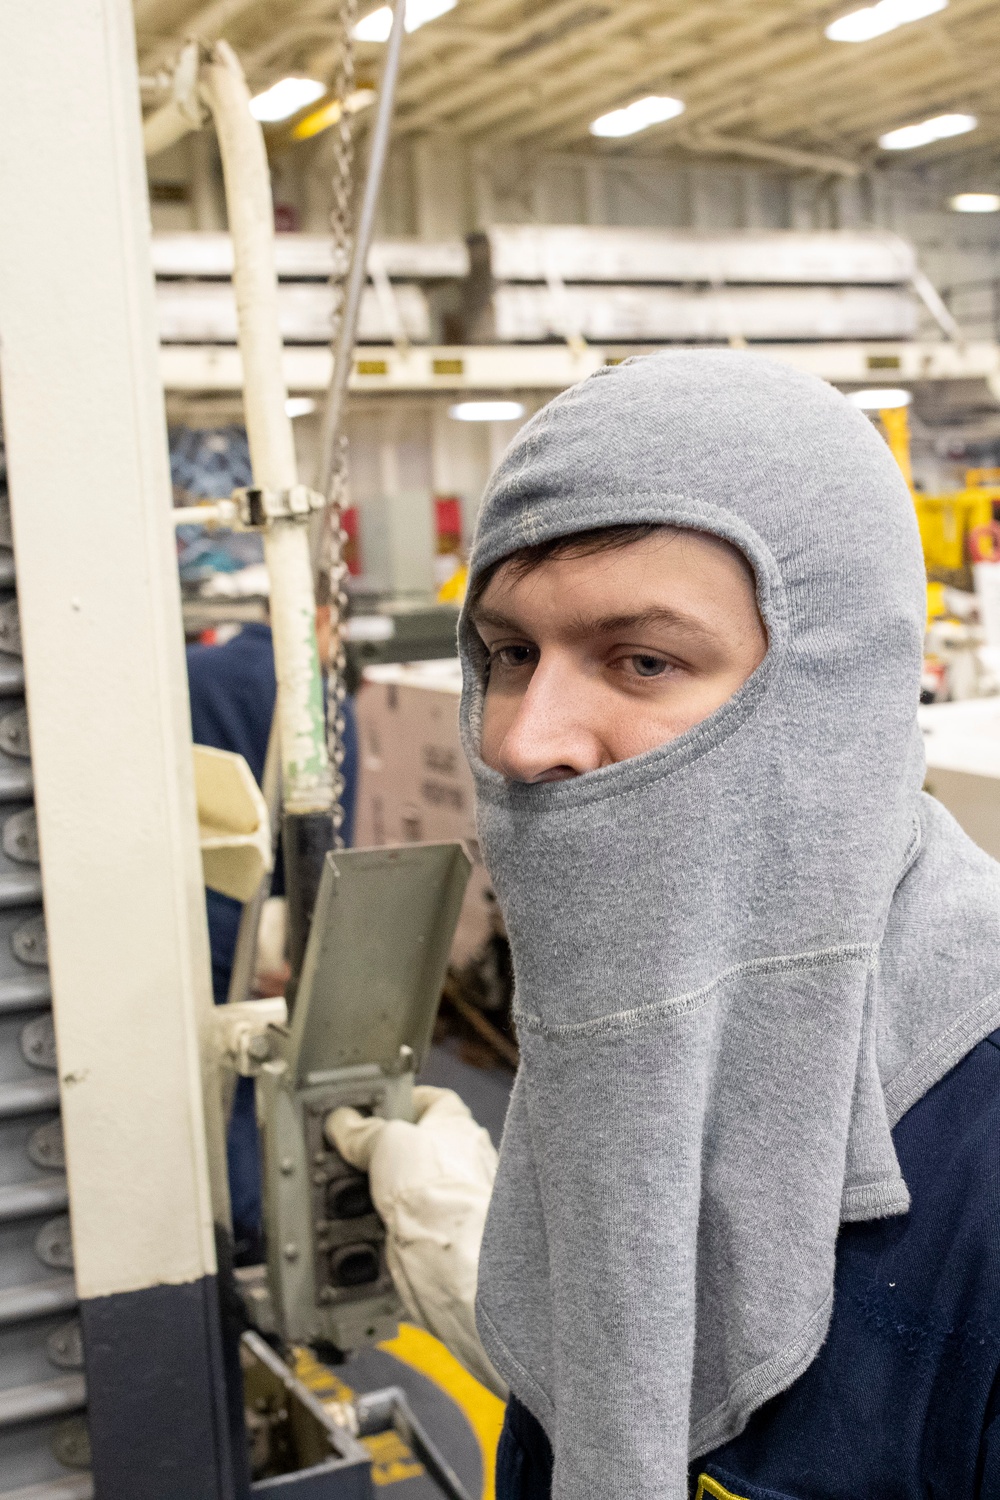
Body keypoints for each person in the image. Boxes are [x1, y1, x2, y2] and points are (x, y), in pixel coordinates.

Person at [329, 351, 1000, 1500]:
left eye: (641, 660)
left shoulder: (976, 1150)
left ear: (829, 697)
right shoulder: (648, 989)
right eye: (507, 654)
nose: (522, 739)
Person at [188, 599, 358, 1264]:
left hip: (193, 905)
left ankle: (213, 1225)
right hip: (262, 918)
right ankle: (257, 1234)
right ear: (317, 615)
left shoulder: (193, 669)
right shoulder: (312, 700)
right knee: (258, 1068)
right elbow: (326, 838)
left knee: (205, 1065)